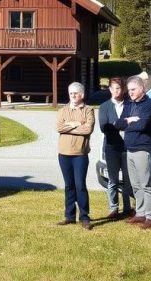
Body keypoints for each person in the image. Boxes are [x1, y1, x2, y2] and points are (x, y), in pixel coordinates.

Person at [114, 74, 151, 229]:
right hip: (130, 149)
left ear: (141, 88)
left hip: (143, 149)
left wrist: (128, 123)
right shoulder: (129, 104)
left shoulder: (149, 105)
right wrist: (129, 120)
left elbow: (143, 126)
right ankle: (140, 213)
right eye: (129, 90)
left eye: (133, 89)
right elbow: (118, 124)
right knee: (135, 185)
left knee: (146, 184)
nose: (130, 92)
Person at [56, 81, 95, 230]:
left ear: (82, 95)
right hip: (63, 153)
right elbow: (59, 127)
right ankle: (69, 216)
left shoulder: (88, 110)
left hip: (80, 154)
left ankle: (84, 217)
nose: (73, 96)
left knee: (80, 185)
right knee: (69, 185)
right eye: (71, 93)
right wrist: (76, 124)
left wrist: (69, 127)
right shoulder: (63, 110)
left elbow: (88, 129)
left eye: (76, 93)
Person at [98, 77, 133, 219]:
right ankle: (113, 208)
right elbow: (104, 127)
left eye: (118, 88)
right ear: (109, 89)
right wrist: (123, 123)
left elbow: (134, 124)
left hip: (126, 147)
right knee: (112, 179)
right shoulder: (104, 106)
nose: (115, 91)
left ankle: (127, 208)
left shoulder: (129, 105)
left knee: (127, 179)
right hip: (111, 147)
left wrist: (116, 124)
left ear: (122, 89)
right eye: (113, 88)